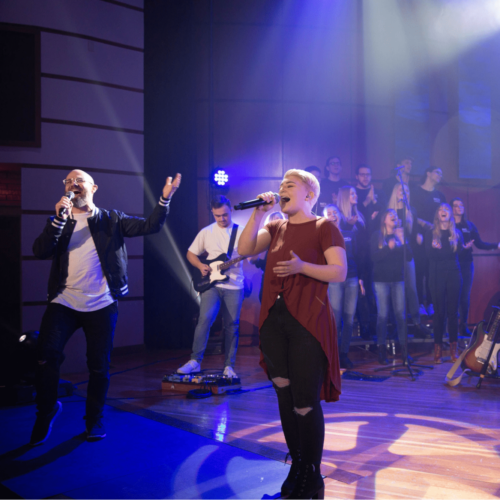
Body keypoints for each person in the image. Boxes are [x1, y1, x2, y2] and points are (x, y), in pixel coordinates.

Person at [30, 169, 181, 446]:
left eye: (79, 181)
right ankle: (47, 410)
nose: (72, 184)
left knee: (98, 366)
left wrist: (164, 200)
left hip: (101, 302)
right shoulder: (60, 220)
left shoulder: (112, 219)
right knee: (45, 355)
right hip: (64, 300)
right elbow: (40, 250)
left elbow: (151, 226)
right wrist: (57, 221)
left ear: (93, 188)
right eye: (68, 181)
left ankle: (94, 419)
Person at [238, 169, 347, 500]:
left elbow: (339, 271)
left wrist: (303, 268)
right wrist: (258, 214)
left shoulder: (324, 226)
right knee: (284, 395)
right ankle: (297, 465)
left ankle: (312, 475)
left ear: (309, 195)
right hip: (274, 320)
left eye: (290, 185)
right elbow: (244, 249)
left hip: (307, 320)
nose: (281, 189)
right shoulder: (274, 225)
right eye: (281, 185)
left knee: (304, 401)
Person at [178, 196, 245, 378]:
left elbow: (253, 255)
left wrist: (253, 255)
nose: (222, 219)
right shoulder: (206, 232)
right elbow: (191, 253)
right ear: (212, 213)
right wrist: (200, 266)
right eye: (217, 216)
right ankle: (195, 361)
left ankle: (229, 366)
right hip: (212, 284)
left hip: (234, 285)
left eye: (224, 215)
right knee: (205, 318)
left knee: (232, 325)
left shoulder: (242, 231)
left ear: (231, 209)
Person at [425, 204, 469, 363]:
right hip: (436, 275)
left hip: (454, 274)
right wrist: (432, 247)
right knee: (439, 313)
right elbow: (427, 255)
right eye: (440, 210)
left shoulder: (456, 233)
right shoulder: (431, 233)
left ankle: (453, 350)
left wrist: (463, 248)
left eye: (446, 210)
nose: (443, 211)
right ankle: (437, 351)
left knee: (453, 313)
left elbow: (458, 255)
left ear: (450, 215)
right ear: (437, 215)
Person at [387, 183, 431, 339]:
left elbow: (413, 236)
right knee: (395, 290)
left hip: (407, 254)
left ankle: (417, 324)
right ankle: (396, 326)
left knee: (411, 289)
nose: (403, 193)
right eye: (400, 190)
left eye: (406, 190)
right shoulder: (388, 210)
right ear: (395, 192)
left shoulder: (411, 211)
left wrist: (417, 236)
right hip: (391, 256)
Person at [451, 197, 500, 336]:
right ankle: (449, 328)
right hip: (451, 264)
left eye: (461, 205)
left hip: (467, 264)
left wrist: (496, 245)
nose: (459, 207)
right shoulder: (448, 225)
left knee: (465, 296)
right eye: (455, 205)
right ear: (451, 208)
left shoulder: (470, 225)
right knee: (452, 296)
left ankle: (463, 326)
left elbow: (479, 244)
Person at [324, 204, 365, 369]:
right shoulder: (322, 235)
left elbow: (358, 255)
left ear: (339, 215)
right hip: (334, 279)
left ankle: (344, 354)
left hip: (352, 277)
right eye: (329, 213)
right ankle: (332, 354)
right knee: (335, 318)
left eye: (335, 212)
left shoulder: (349, 232)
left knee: (349, 318)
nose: (333, 215)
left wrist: (361, 278)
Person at [371, 209, 413, 365]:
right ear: (384, 220)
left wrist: (402, 241)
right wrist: (388, 248)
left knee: (401, 316)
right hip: (381, 280)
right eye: (391, 215)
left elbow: (409, 257)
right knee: (382, 316)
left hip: (398, 280)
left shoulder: (400, 234)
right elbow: (373, 257)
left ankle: (404, 352)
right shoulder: (377, 235)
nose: (395, 217)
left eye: (396, 215)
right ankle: (381, 350)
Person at [411, 166, 446, 316]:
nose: (440, 175)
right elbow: (411, 215)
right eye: (438, 172)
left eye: (441, 173)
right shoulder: (415, 192)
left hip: (435, 238)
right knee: (419, 272)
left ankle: (431, 303)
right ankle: (419, 304)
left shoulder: (440, 195)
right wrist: (420, 228)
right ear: (428, 173)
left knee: (432, 272)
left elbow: (445, 215)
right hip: (419, 238)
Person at [249, 211, 286, 303]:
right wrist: (254, 259)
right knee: (265, 302)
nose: (277, 222)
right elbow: (257, 261)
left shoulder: (288, 238)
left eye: (279, 220)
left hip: (285, 280)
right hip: (268, 278)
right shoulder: (265, 238)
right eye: (274, 221)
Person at [354, 164, 385, 233]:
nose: (365, 177)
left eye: (368, 174)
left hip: (376, 232)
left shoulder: (378, 192)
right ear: (357, 176)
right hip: (359, 232)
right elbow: (352, 212)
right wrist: (367, 201)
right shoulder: (353, 192)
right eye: (362, 174)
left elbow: (385, 211)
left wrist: (374, 200)